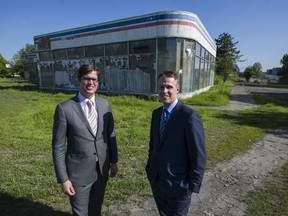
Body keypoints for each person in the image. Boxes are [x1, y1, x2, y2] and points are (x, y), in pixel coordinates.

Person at [52, 64, 118, 216]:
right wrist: (64, 179)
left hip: (102, 168)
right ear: (78, 80)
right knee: (80, 212)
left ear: (98, 82)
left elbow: (110, 135)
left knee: (96, 209)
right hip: (78, 173)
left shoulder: (105, 105)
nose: (90, 83)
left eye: (94, 79)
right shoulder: (65, 108)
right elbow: (58, 147)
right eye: (86, 78)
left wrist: (114, 161)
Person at [146, 71, 206, 215]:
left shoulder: (189, 116)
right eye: (161, 87)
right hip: (157, 181)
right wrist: (150, 168)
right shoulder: (156, 114)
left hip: (179, 186)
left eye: (169, 87)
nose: (164, 91)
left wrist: (193, 185)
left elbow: (198, 155)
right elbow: (153, 145)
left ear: (177, 89)